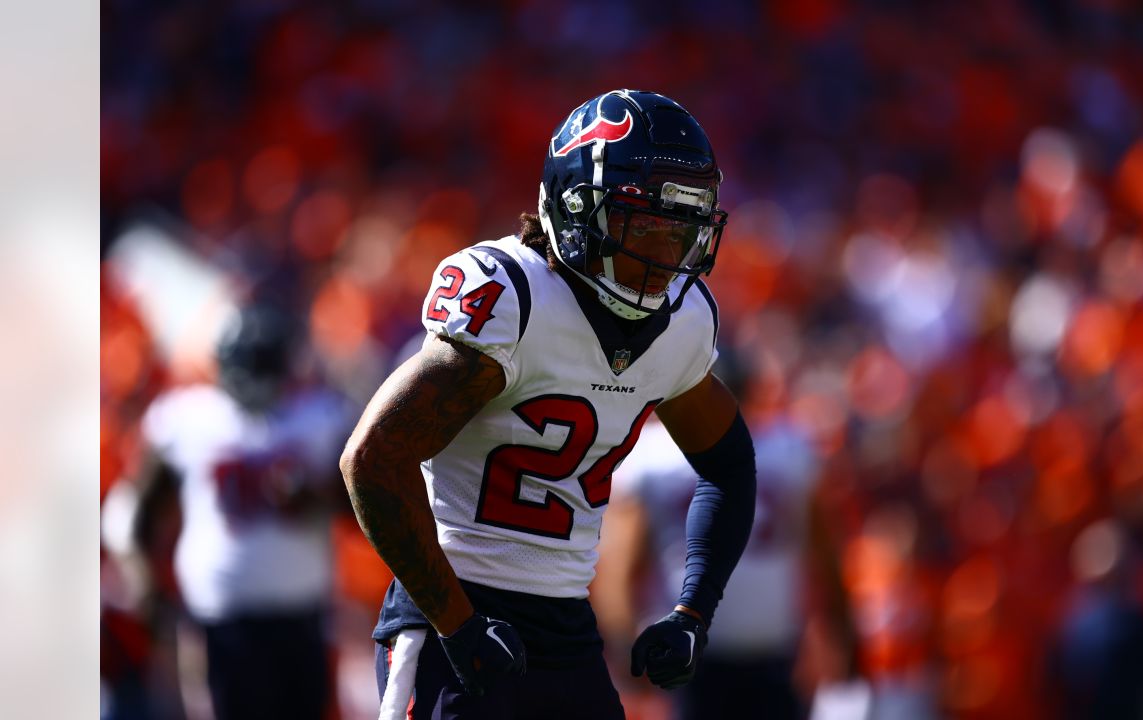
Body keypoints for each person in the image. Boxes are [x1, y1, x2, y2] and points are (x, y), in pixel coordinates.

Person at [340, 89, 757, 719]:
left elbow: (729, 467)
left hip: (567, 626)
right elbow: (371, 460)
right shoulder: (513, 298)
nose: (662, 257)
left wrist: (693, 612)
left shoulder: (682, 324)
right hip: (453, 609)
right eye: (641, 225)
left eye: (679, 233)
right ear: (574, 207)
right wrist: (458, 624)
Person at [114, 303, 351, 720]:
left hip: (304, 617)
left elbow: (366, 505)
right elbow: (131, 511)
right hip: (221, 620)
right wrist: (146, 586)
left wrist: (317, 497)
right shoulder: (187, 419)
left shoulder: (321, 416)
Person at [596, 353, 863, 720]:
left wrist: (628, 648)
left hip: (740, 650)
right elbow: (825, 556)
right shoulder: (789, 448)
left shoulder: (655, 455)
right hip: (714, 650)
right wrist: (844, 631)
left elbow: (618, 570)